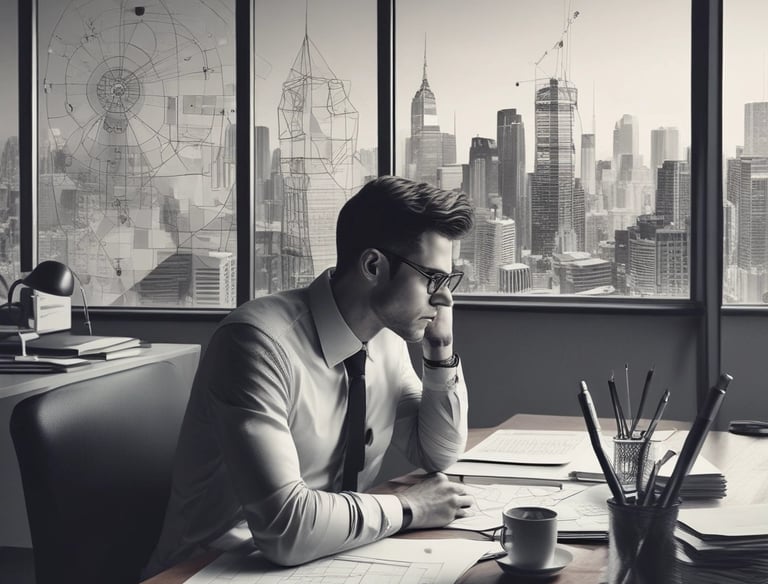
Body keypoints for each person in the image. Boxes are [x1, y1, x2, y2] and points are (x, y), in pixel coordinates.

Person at [144, 176, 475, 576]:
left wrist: (440, 350)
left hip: (325, 560)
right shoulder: (256, 345)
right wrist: (410, 507)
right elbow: (285, 526)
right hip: (215, 569)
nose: (444, 298)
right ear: (373, 265)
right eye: (433, 279)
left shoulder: (385, 340)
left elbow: (438, 454)